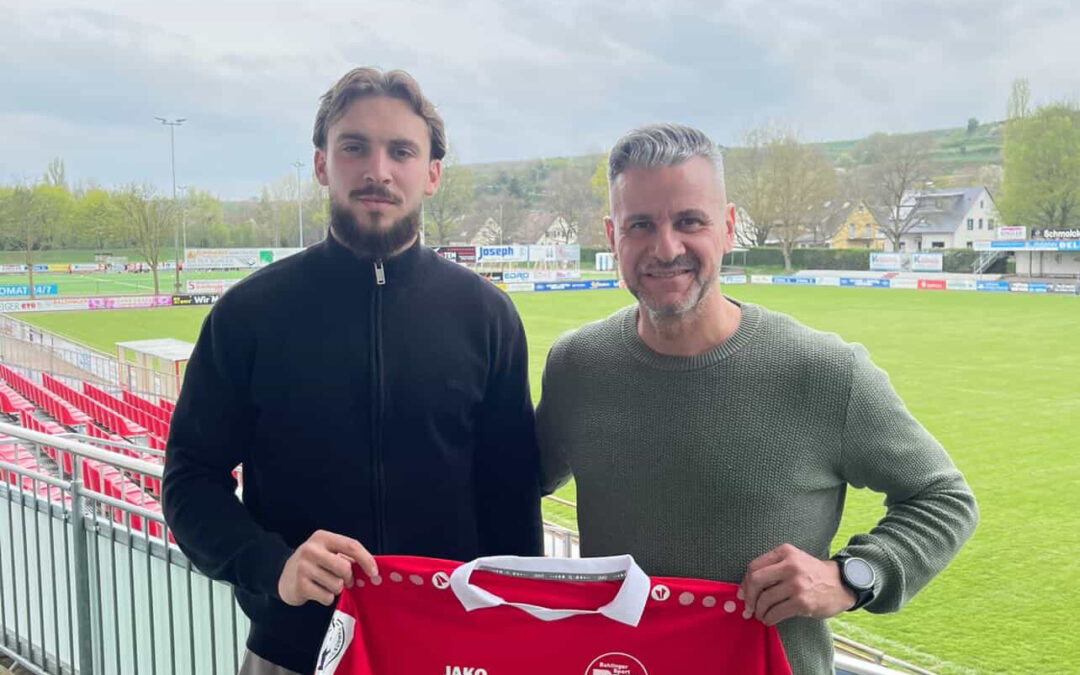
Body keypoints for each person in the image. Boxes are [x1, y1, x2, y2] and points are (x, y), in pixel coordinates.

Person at [536, 123, 978, 674]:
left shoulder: (823, 371)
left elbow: (943, 498)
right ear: (612, 236)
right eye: (641, 225)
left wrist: (852, 576)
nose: (665, 247)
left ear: (727, 228)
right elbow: (515, 480)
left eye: (689, 221)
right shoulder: (577, 364)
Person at [163, 67, 542, 675]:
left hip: (452, 653)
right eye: (355, 147)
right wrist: (272, 566)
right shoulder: (248, 314)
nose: (378, 171)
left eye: (401, 151)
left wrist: (513, 635)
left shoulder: (486, 316)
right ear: (321, 164)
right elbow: (188, 480)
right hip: (292, 652)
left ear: (432, 173)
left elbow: (511, 500)